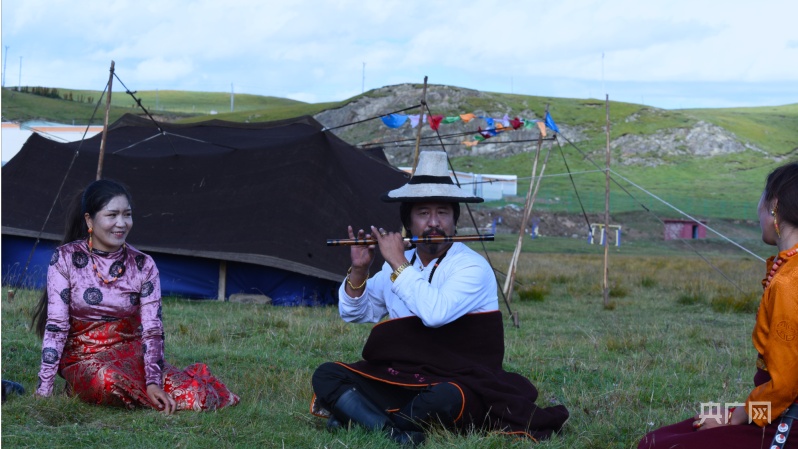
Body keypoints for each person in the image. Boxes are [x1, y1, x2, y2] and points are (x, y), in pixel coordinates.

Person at [310, 150, 569, 445]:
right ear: (408, 222)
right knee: (327, 375)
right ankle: (394, 432)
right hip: (402, 376)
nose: (434, 222)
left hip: (459, 380)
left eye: (442, 213)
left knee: (446, 397)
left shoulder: (471, 266)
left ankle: (363, 420)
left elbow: (435, 314)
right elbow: (355, 313)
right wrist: (359, 271)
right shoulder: (399, 264)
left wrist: (397, 263)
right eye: (423, 213)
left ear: (454, 220)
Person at [31, 179, 239, 413]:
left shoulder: (143, 265)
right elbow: (56, 327)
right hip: (83, 359)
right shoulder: (65, 258)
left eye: (127, 215)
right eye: (112, 215)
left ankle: (147, 393)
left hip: (132, 357)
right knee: (107, 381)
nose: (121, 223)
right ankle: (80, 385)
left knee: (200, 397)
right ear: (89, 220)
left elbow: (152, 330)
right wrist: (44, 389)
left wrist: (153, 383)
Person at [638, 161, 798, 448]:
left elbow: (786, 385)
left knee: (657, 444)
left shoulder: (789, 283)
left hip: (787, 417)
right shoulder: (787, 269)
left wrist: (737, 417)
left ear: (775, 205)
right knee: (690, 425)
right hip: (777, 406)